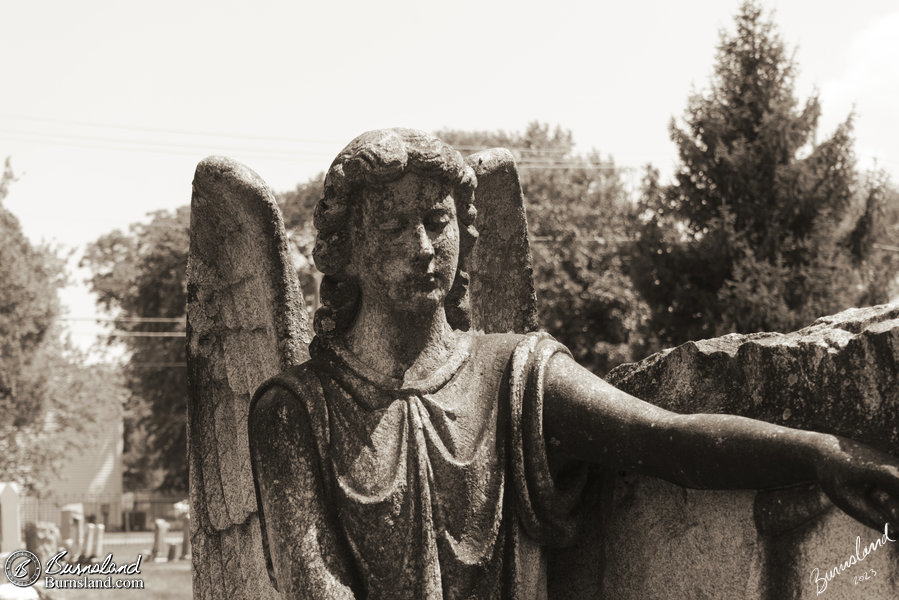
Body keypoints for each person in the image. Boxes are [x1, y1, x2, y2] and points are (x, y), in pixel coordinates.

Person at [249, 128, 899, 600]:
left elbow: (667, 439)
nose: (423, 246)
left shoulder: (514, 377)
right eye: (393, 226)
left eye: (437, 220)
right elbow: (315, 586)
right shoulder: (298, 409)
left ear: (464, 232)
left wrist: (814, 453)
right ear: (343, 248)